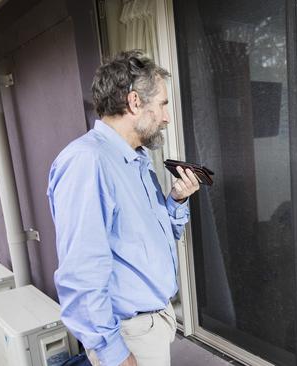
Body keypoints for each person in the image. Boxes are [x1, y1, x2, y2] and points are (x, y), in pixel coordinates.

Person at [47, 50, 200, 366]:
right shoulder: (87, 163)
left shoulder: (137, 160)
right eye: (162, 105)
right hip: (127, 333)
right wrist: (112, 353)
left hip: (154, 323)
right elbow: (81, 273)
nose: (166, 117)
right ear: (134, 102)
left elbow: (156, 236)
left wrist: (177, 200)